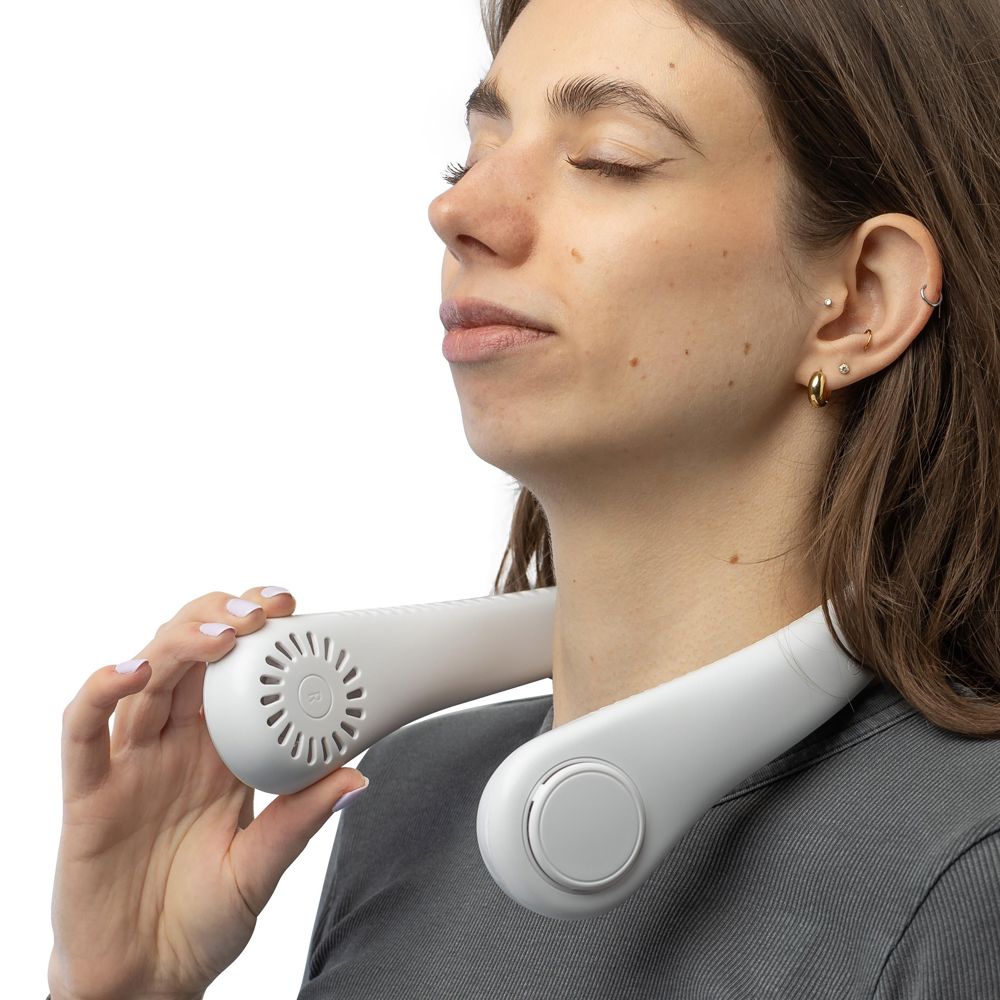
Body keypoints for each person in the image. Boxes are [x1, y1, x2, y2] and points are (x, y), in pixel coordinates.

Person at [49, 0, 1000, 997]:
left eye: (608, 159)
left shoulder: (969, 861)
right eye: (469, 157)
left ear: (861, 299)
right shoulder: (409, 804)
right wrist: (126, 988)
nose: (460, 211)